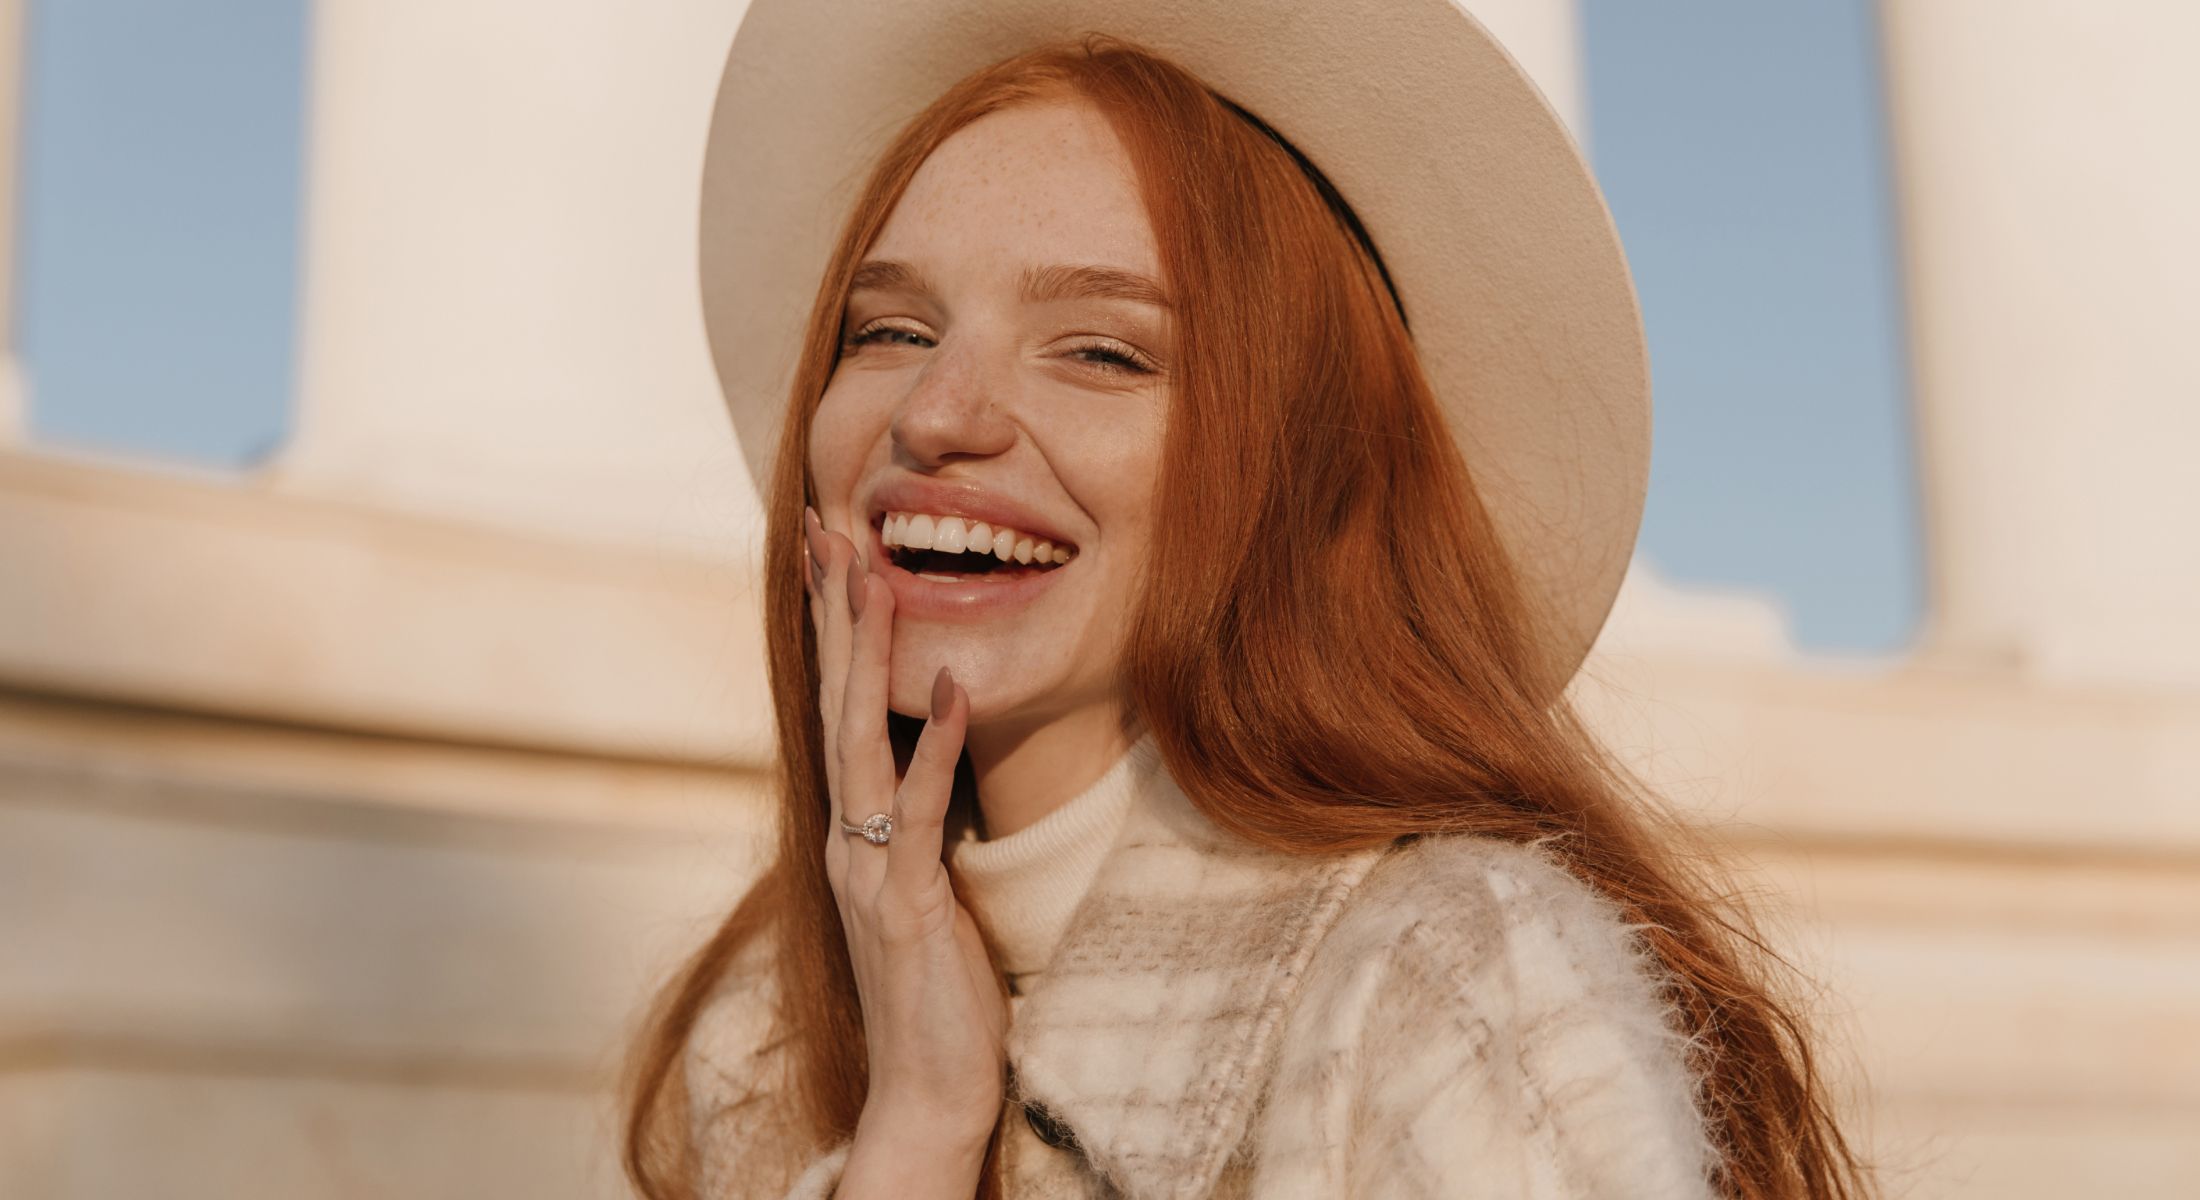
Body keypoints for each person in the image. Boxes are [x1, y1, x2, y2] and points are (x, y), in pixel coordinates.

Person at [624, 4, 1873, 1199]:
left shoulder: (1453, 988)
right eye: (888, 329)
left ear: (1293, 466)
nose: (934, 414)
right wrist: (915, 1132)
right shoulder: (760, 1036)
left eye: (1102, 350)